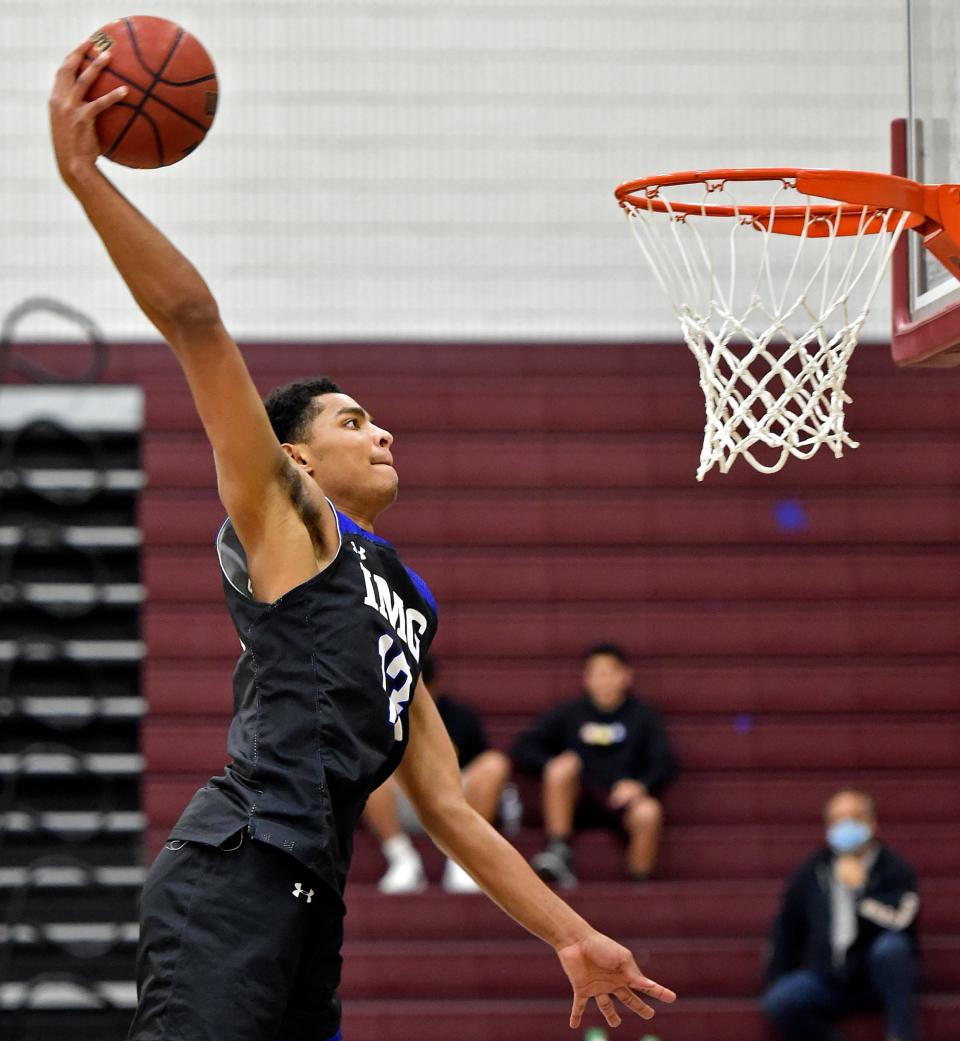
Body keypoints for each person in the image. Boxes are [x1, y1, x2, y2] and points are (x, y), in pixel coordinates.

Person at [49, 41, 676, 1041]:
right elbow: (198, 326)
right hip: (238, 868)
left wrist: (570, 936)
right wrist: (84, 179)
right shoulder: (289, 525)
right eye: (350, 421)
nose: (379, 431)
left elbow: (453, 811)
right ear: (294, 459)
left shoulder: (402, 596)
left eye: (377, 419)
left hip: (310, 896)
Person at [511, 643, 677, 888]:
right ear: (586, 679)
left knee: (649, 812)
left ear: (626, 677)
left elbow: (665, 761)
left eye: (611, 673)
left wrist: (640, 785)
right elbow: (522, 747)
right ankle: (558, 850)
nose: (605, 681)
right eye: (597, 674)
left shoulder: (643, 716)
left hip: (620, 800)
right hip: (578, 798)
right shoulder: (569, 713)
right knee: (561, 768)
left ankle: (639, 883)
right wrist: (552, 763)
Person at [761, 788, 920, 1041]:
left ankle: (900, 1035)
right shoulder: (812, 871)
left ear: (872, 823)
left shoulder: (895, 869)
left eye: (854, 818)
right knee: (780, 1001)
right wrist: (775, 980)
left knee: (892, 949)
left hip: (875, 977)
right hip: (827, 975)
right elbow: (785, 929)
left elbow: (901, 922)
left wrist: (861, 894)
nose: (845, 826)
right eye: (837, 819)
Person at [365, 654, 513, 894]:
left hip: (452, 798)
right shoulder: (380, 714)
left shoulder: (460, 716)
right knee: (367, 768)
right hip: (404, 800)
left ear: (431, 686)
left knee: (494, 764)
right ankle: (402, 858)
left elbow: (481, 765)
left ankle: (464, 858)